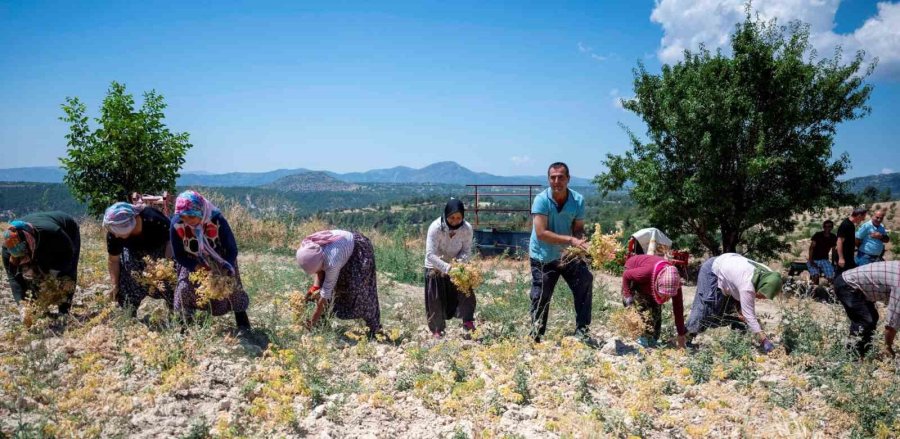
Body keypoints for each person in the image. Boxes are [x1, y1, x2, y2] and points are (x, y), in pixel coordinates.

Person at [528, 162, 594, 344]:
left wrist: (579, 242)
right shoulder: (541, 200)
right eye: (553, 177)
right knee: (541, 294)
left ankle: (583, 330)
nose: (556, 181)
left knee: (585, 281)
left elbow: (578, 228)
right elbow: (541, 233)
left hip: (568, 255)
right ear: (549, 179)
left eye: (561, 177)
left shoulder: (578, 200)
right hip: (543, 256)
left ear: (568, 179)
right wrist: (571, 240)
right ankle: (535, 335)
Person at [170, 191, 251, 332]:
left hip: (221, 258)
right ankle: (184, 326)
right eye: (183, 216)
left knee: (231, 288)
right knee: (184, 289)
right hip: (192, 259)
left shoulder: (217, 220)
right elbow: (178, 255)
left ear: (201, 211)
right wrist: (197, 266)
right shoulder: (177, 224)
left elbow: (232, 249)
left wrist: (226, 267)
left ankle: (242, 321)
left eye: (191, 216)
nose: (187, 220)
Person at [685, 253, 782, 353]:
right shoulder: (747, 285)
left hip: (732, 274)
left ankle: (737, 341)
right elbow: (749, 315)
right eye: (761, 295)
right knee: (707, 309)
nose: (760, 298)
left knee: (736, 314)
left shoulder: (771, 276)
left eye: (764, 297)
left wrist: (741, 310)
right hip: (713, 271)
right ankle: (686, 336)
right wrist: (764, 340)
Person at [296, 229, 382, 336]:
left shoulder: (332, 262)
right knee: (321, 288)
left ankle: (374, 329)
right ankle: (323, 323)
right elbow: (319, 271)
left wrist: (312, 321)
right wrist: (315, 288)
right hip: (340, 248)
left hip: (357, 251)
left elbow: (325, 294)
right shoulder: (309, 248)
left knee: (358, 292)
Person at [2, 211, 80, 317]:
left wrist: (53, 274)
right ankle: (40, 310)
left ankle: (64, 311)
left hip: (65, 232)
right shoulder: (7, 248)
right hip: (36, 243)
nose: (23, 259)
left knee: (66, 272)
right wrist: (22, 306)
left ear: (28, 243)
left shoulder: (52, 232)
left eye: (24, 255)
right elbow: (14, 278)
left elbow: (68, 254)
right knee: (33, 274)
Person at [102, 202, 175, 314]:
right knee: (129, 281)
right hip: (132, 253)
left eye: (118, 232)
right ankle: (129, 314)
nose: (116, 236)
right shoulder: (114, 232)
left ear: (128, 224)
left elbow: (171, 241)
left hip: (161, 251)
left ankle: (178, 314)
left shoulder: (154, 219)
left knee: (167, 282)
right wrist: (114, 285)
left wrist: (165, 265)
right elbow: (113, 260)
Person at [424, 199, 476, 338]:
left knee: (466, 292)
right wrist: (447, 268)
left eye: (459, 218)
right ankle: (437, 329)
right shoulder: (435, 228)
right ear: (446, 215)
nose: (455, 221)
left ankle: (468, 322)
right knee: (435, 298)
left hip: (456, 265)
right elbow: (430, 254)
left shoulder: (466, 229)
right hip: (435, 265)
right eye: (452, 217)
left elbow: (466, 250)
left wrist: (457, 265)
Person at [833, 261, 900, 358]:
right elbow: (893, 321)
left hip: (853, 284)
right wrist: (888, 346)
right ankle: (853, 357)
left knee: (872, 317)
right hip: (847, 284)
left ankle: (864, 352)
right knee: (865, 320)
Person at [621, 254, 686, 348]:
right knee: (640, 308)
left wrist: (681, 334)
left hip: (651, 277)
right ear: (658, 284)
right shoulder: (645, 273)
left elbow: (678, 308)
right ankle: (640, 338)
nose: (667, 299)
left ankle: (652, 338)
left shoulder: (675, 283)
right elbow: (626, 275)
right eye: (664, 295)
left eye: (669, 296)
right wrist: (628, 296)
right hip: (633, 272)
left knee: (655, 312)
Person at [836, 207, 867, 274]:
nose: (863, 219)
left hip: (849, 256)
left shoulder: (851, 225)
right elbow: (839, 241)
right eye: (863, 217)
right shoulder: (846, 224)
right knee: (841, 275)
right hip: (844, 256)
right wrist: (841, 258)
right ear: (859, 216)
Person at [807, 220, 837, 285]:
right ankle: (815, 291)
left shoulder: (833, 237)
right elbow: (811, 248)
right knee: (815, 276)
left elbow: (834, 250)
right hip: (814, 259)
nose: (827, 228)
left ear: (832, 227)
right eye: (825, 226)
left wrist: (833, 262)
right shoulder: (818, 235)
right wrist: (810, 260)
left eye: (829, 226)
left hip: (824, 259)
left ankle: (830, 291)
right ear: (823, 227)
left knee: (831, 276)